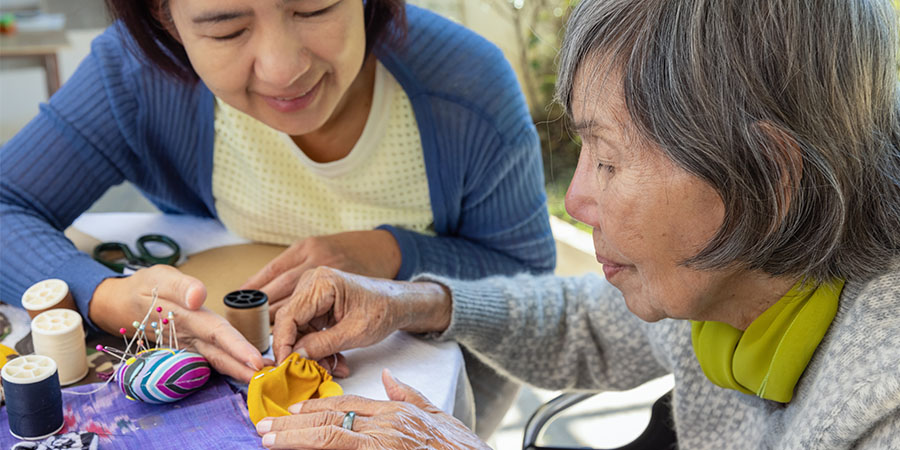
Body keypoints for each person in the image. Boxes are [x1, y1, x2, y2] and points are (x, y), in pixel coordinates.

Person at [255, 0, 900, 448]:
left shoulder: (881, 402)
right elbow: (588, 320)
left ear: (768, 180)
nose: (577, 198)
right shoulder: (730, 275)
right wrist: (414, 302)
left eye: (611, 160)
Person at [0, 0, 555, 423]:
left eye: (314, 7)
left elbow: (535, 294)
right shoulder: (136, 74)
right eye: (226, 28)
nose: (284, 68)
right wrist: (104, 295)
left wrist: (394, 254)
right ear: (165, 20)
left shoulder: (466, 88)